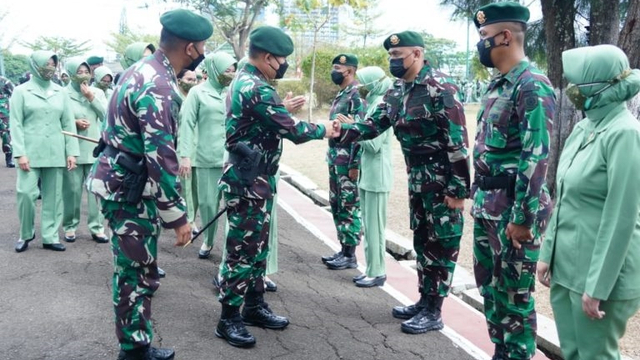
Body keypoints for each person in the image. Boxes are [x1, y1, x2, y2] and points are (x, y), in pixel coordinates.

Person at [86, 9, 212, 360]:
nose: (202, 56)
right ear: (190, 48)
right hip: (128, 190)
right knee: (136, 271)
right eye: (201, 48)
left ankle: (136, 343)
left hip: (120, 183)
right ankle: (133, 351)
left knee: (136, 268)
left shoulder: (139, 69)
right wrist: (178, 217)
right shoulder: (157, 84)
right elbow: (162, 157)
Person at [334, 31, 470, 334]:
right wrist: (339, 130)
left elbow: (458, 142)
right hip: (417, 176)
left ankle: (434, 310)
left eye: (398, 56)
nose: (393, 61)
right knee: (423, 239)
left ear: (418, 54)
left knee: (443, 242)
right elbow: (375, 123)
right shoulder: (399, 90)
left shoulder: (440, 87)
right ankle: (424, 300)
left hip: (442, 179)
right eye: (391, 57)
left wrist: (459, 190)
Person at [215, 25, 337, 348]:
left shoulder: (247, 81)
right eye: (282, 60)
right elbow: (293, 131)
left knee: (257, 246)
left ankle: (254, 306)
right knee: (242, 249)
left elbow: (270, 119)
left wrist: (282, 110)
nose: (283, 66)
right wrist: (327, 128)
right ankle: (229, 318)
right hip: (249, 179)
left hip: (257, 177)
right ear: (268, 58)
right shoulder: (257, 88)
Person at [537, 44, 640, 360]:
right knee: (573, 352)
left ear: (600, 86)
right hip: (568, 266)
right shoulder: (583, 128)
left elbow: (621, 215)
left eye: (578, 83)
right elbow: (563, 197)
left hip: (602, 274)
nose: (572, 90)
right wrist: (547, 253)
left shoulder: (625, 134)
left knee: (595, 356)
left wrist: (597, 287)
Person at [470, 3, 556, 359]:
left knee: (516, 302)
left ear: (505, 36)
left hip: (513, 215)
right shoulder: (497, 86)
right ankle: (501, 352)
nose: (481, 44)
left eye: (484, 36)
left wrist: (523, 219)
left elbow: (536, 158)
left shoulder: (532, 85)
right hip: (487, 209)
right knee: (491, 293)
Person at [11, 50, 79, 253]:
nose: (49, 68)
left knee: (54, 196)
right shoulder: (21, 91)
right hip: (29, 153)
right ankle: (25, 234)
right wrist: (19, 153)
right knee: (25, 193)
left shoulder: (61, 92)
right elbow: (15, 124)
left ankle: (50, 236)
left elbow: (68, 123)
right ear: (34, 65)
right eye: (45, 63)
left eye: (52, 64)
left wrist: (71, 152)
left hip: (56, 151)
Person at [178, 51, 236, 259]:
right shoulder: (197, 92)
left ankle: (232, 247)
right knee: (208, 204)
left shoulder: (234, 91)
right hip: (207, 157)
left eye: (232, 70)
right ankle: (209, 240)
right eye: (225, 70)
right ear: (213, 70)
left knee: (234, 205)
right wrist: (185, 155)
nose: (230, 74)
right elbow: (187, 124)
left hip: (233, 158)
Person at [347, 66, 393, 288]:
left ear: (375, 83)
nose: (360, 88)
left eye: (364, 83)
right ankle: (370, 269)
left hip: (377, 176)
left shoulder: (382, 106)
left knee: (375, 227)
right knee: (368, 225)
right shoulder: (374, 103)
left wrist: (353, 129)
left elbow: (373, 145)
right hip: (369, 175)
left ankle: (377, 272)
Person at [322, 53, 365, 271]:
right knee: (337, 204)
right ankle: (343, 249)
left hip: (347, 160)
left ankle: (350, 254)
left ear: (349, 70)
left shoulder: (357, 94)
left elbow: (361, 131)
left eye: (337, 67)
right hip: (335, 157)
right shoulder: (342, 94)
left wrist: (355, 164)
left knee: (349, 206)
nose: (334, 71)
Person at [61, 57, 108, 244]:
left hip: (94, 148)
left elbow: (106, 115)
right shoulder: (62, 93)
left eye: (86, 71)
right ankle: (70, 226)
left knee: (95, 192)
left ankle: (97, 228)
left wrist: (91, 97)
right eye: (78, 72)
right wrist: (74, 123)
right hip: (72, 148)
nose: (83, 75)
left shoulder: (97, 92)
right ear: (70, 74)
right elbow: (57, 117)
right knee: (71, 191)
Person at [174, 68, 199, 235]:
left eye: (195, 80)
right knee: (185, 187)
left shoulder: (197, 96)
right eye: (189, 79)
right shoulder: (173, 97)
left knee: (196, 189)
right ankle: (188, 220)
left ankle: (191, 217)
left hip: (199, 148)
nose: (192, 83)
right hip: (180, 148)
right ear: (179, 80)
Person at [0, 75, 15, 167]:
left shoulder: (4, 81)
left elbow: (15, 93)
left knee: (6, 135)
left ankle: (9, 159)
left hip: (3, 113)